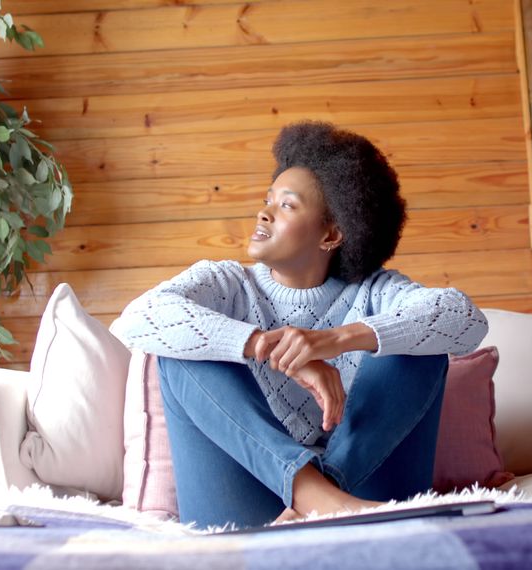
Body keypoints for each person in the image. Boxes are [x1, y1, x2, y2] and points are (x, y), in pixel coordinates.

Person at [112, 121, 488, 529]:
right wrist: (264, 346)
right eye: (267, 199)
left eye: (287, 205)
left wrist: (334, 340)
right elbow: (137, 317)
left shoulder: (376, 292)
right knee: (185, 350)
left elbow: (465, 320)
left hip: (363, 496)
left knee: (417, 347)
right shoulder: (227, 284)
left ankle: (323, 496)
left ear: (331, 233)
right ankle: (313, 496)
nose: (264, 212)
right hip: (248, 503)